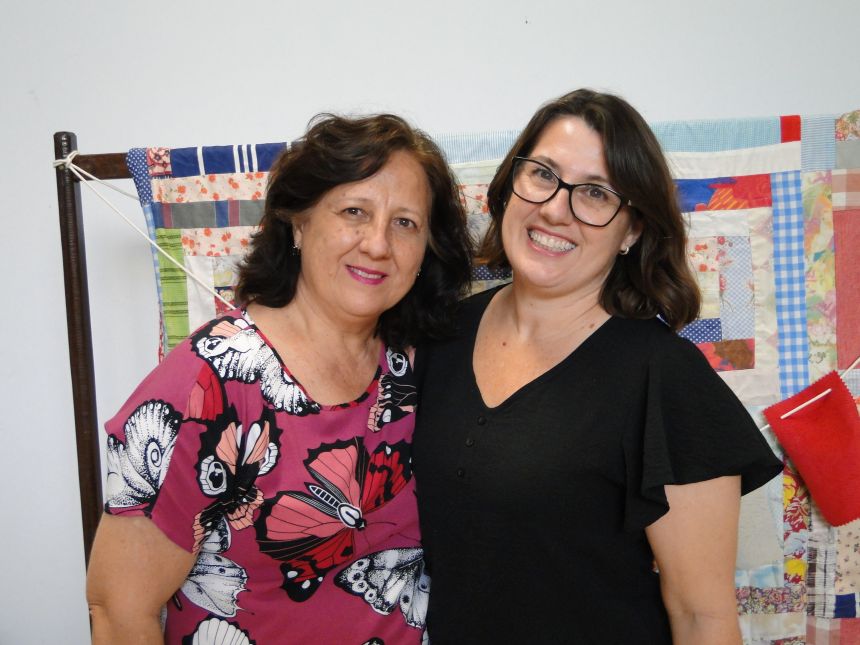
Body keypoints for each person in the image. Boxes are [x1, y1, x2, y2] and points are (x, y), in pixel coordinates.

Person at [412, 89, 783, 644]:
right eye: (543, 174)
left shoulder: (665, 377)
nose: (555, 209)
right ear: (509, 186)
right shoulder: (439, 337)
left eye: (595, 193)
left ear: (632, 230)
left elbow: (702, 617)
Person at [86, 113, 473, 644]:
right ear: (298, 223)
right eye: (354, 212)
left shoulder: (416, 366)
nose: (378, 244)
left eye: (405, 223)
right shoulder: (208, 382)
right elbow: (118, 611)